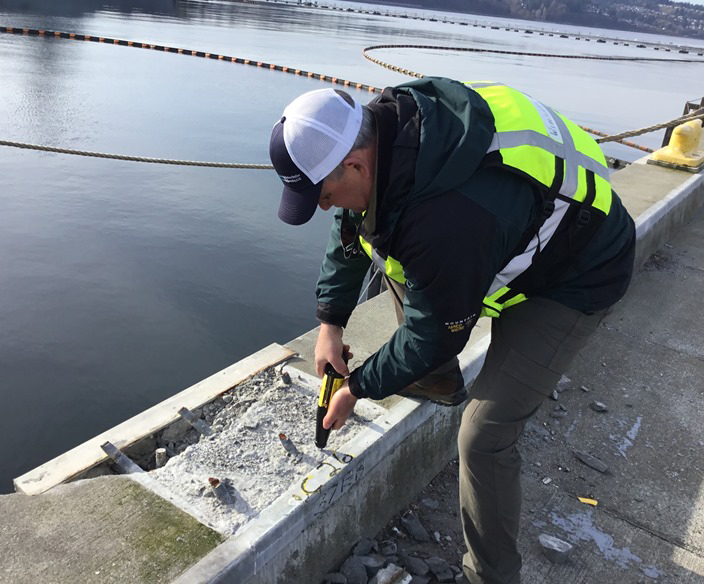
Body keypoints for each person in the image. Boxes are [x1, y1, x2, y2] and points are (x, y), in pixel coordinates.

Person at [268, 79, 635, 584]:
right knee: (399, 256)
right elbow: (355, 224)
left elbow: (436, 333)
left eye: (325, 194)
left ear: (355, 164)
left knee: (483, 438)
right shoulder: (379, 129)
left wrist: (357, 388)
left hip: (576, 274)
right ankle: (435, 381)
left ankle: (490, 576)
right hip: (507, 232)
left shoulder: (449, 219)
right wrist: (331, 322)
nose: (327, 208)